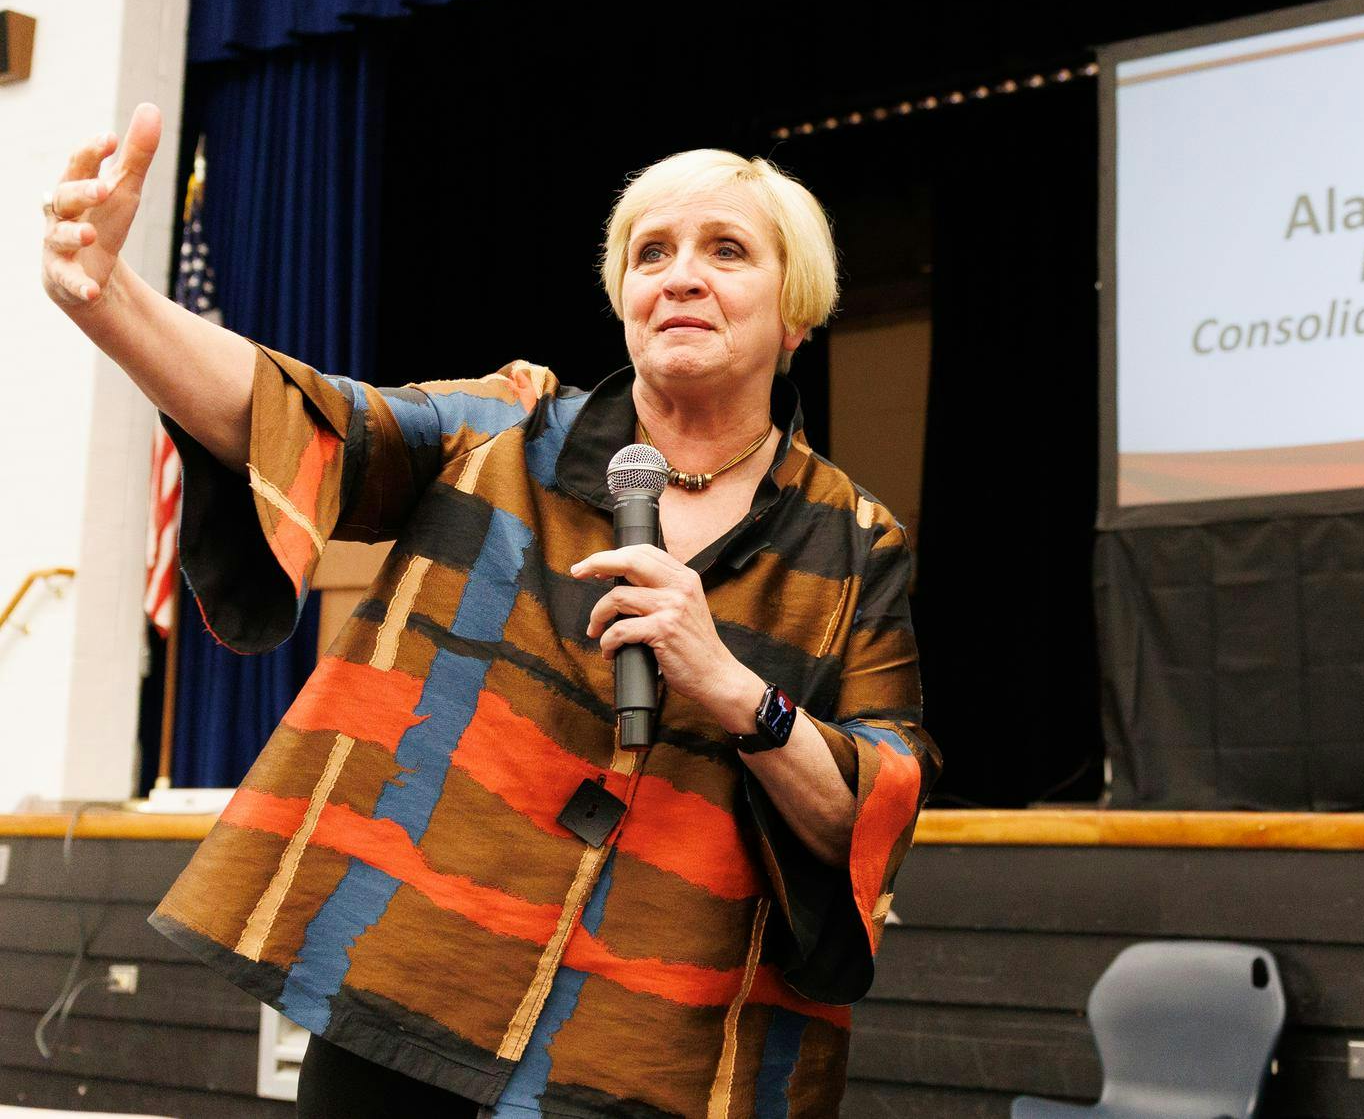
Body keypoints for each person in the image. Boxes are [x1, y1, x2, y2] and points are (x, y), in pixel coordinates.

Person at [40, 104, 940, 1118]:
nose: (680, 274)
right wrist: (110, 300)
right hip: (411, 981)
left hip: (659, 1046)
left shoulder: (855, 540)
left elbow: (877, 797)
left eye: (725, 249)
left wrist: (736, 690)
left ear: (797, 312)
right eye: (651, 253)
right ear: (625, 298)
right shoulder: (501, 435)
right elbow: (301, 415)